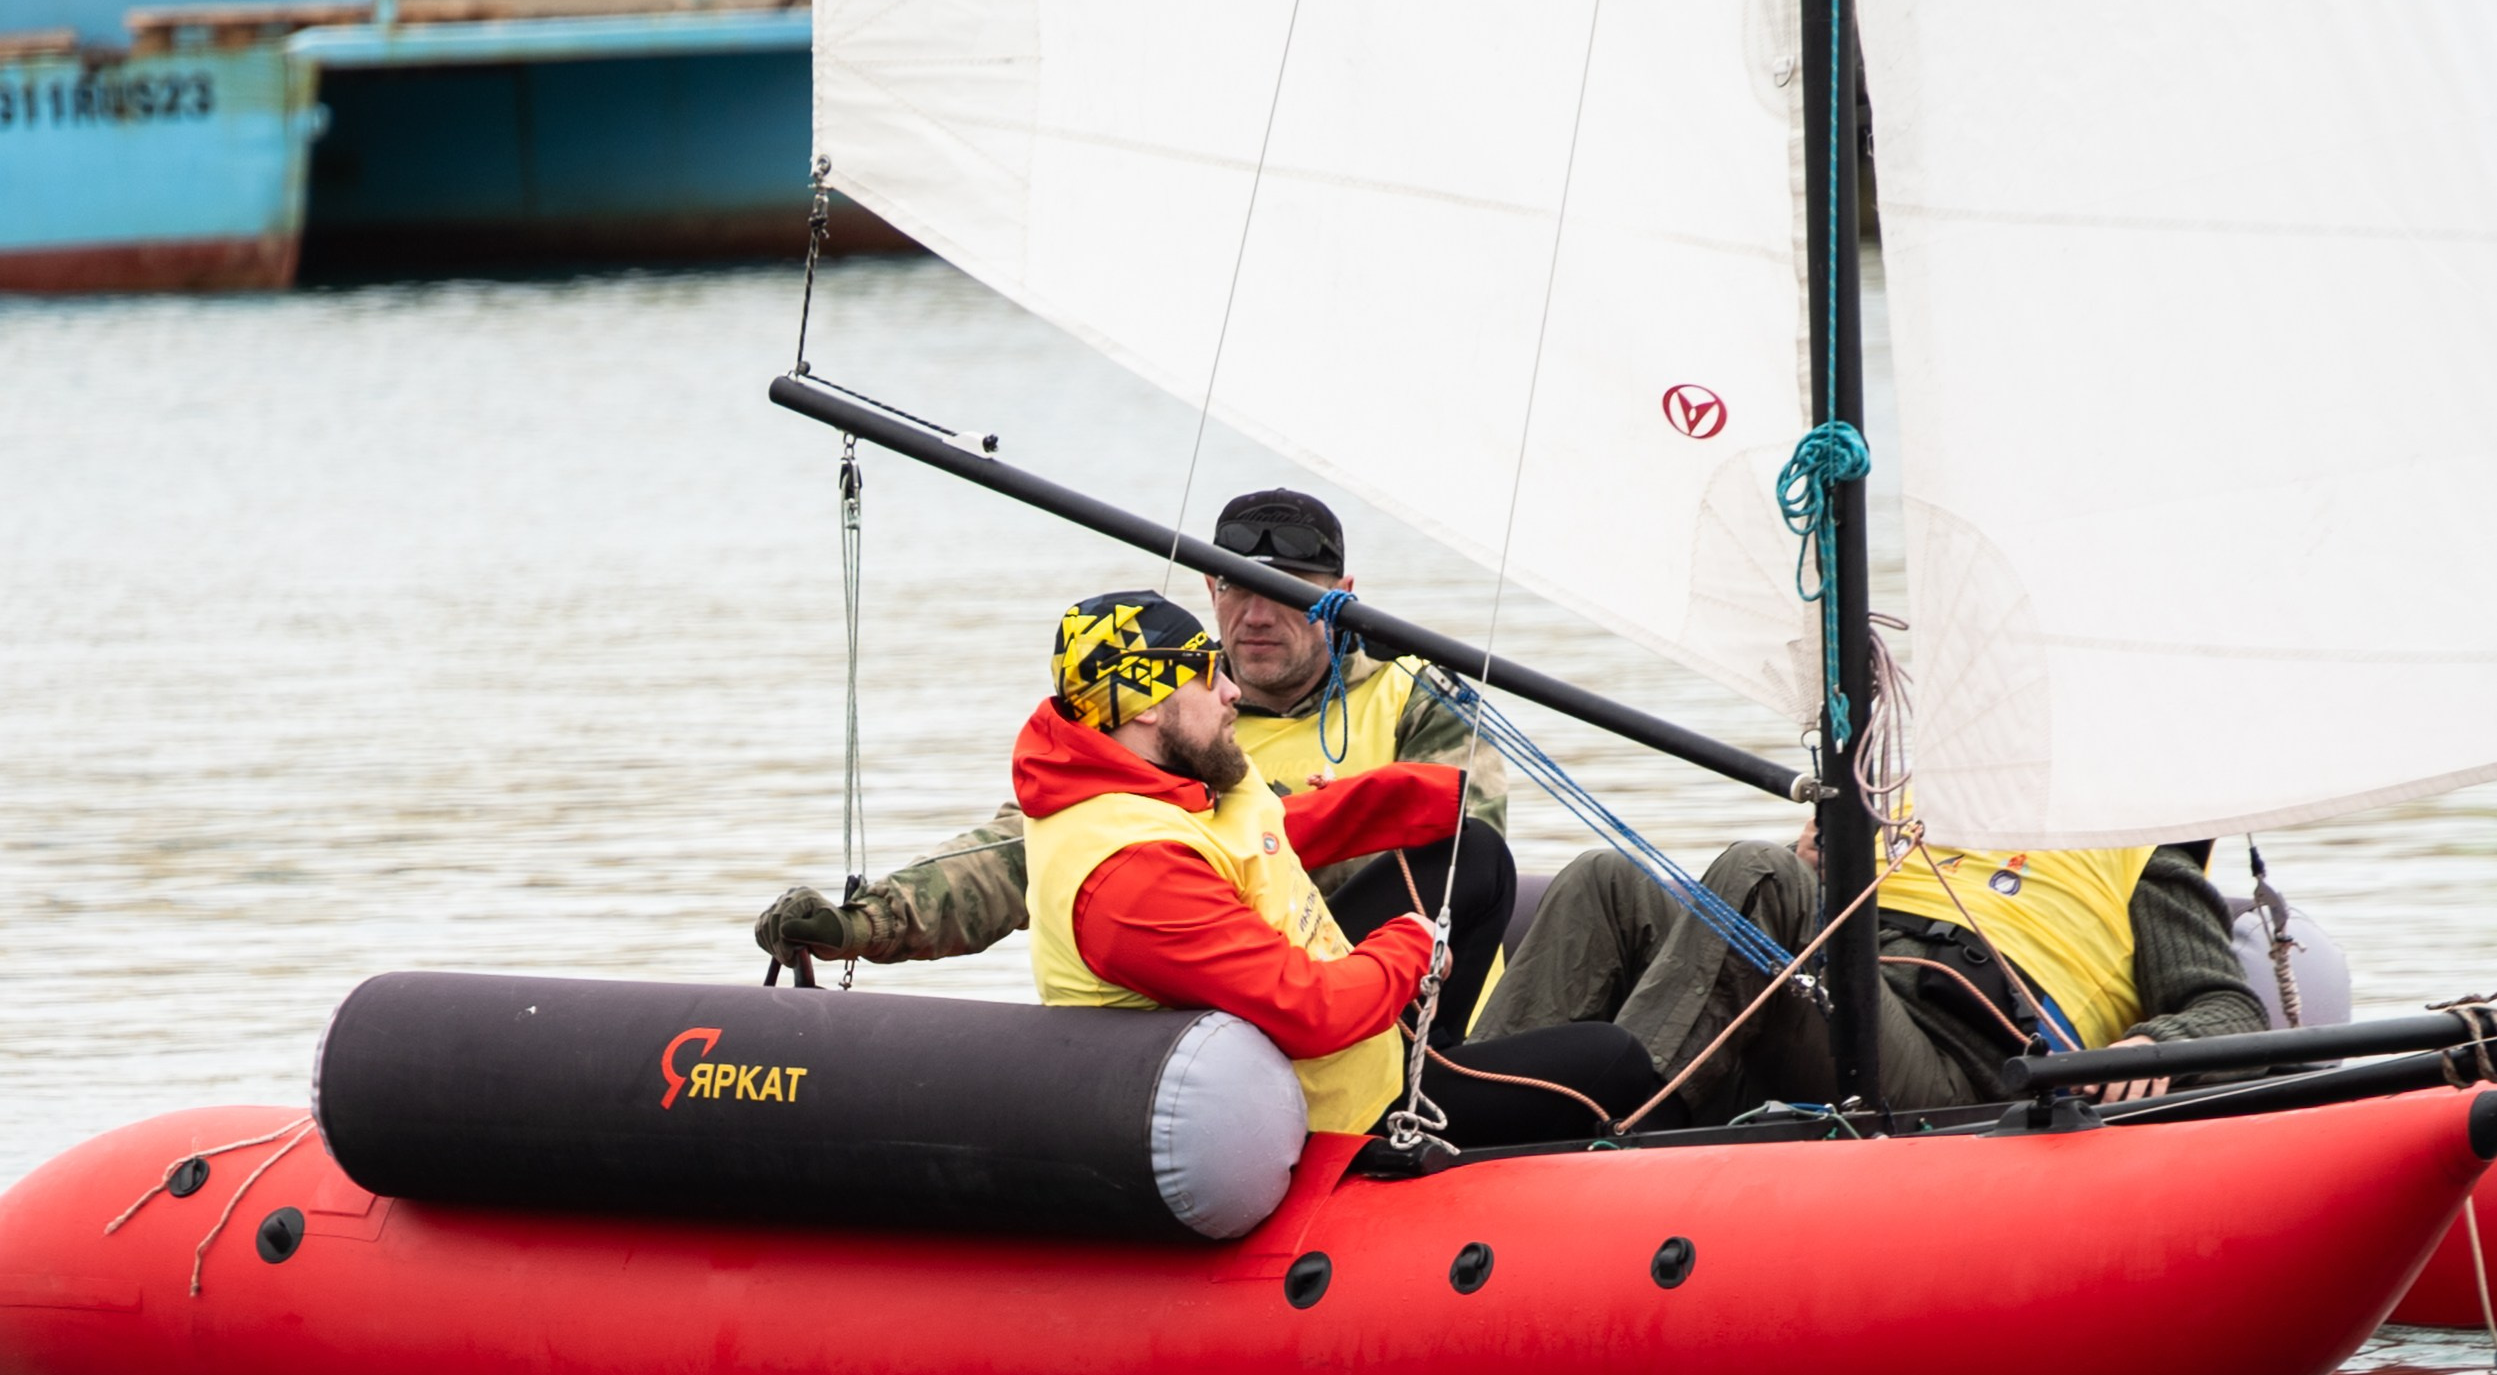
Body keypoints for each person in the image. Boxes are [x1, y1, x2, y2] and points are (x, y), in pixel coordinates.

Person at [755, 483, 1512, 1019]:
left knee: (1574, 884)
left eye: (1287, 592)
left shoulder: (1419, 696)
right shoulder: (1155, 718)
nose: (1253, 615)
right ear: (1208, 587)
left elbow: (1473, 835)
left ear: (1338, 595)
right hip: (1279, 1007)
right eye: (1234, 587)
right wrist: (862, 922)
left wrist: (1329, 821)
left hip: (1432, 993)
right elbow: (1016, 852)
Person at [1016, 592, 1656, 1147]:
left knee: (1477, 855)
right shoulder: (1134, 876)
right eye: (1210, 674)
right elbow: (1308, 1010)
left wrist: (1431, 796)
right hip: (1332, 1108)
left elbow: (1269, 830)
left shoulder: (1151, 776)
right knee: (1613, 1060)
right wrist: (1412, 945)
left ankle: (1439, 1058)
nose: (1233, 689)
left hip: (1346, 1037)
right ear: (1147, 704)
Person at [1476, 823, 2268, 1121]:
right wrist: (1818, 868)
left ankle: (1618, 1122)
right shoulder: (1908, 808)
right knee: (1603, 879)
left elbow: (2227, 1006)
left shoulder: (2142, 852)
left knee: (1759, 872)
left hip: (1951, 1067)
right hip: (1834, 1009)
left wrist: (2154, 1045)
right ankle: (1474, 1112)